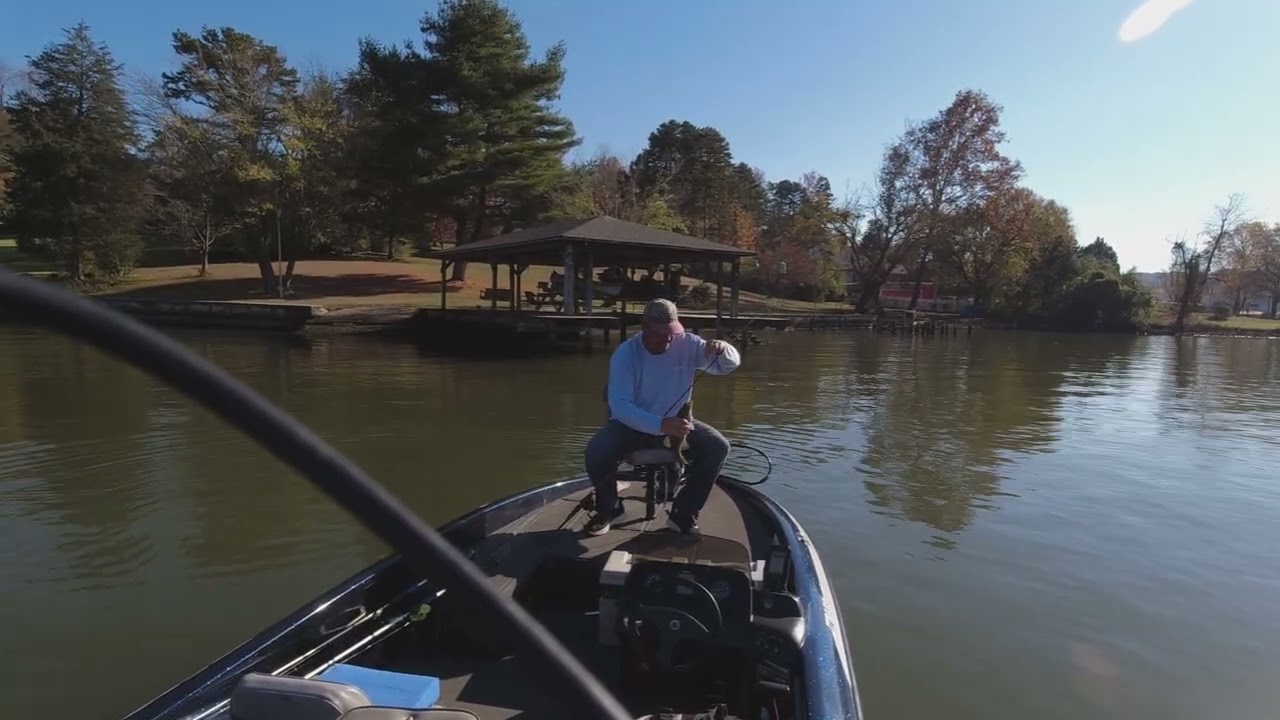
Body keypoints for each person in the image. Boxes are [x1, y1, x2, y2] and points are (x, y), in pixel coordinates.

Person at [583, 298, 741, 536]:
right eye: (660, 334)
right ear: (645, 326)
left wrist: (723, 348)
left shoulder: (688, 343)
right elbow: (620, 406)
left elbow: (727, 366)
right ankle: (610, 508)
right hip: (631, 425)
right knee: (596, 451)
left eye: (672, 333)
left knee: (718, 446)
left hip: (678, 423)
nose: (668, 339)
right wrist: (660, 425)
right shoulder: (626, 354)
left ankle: (683, 513)